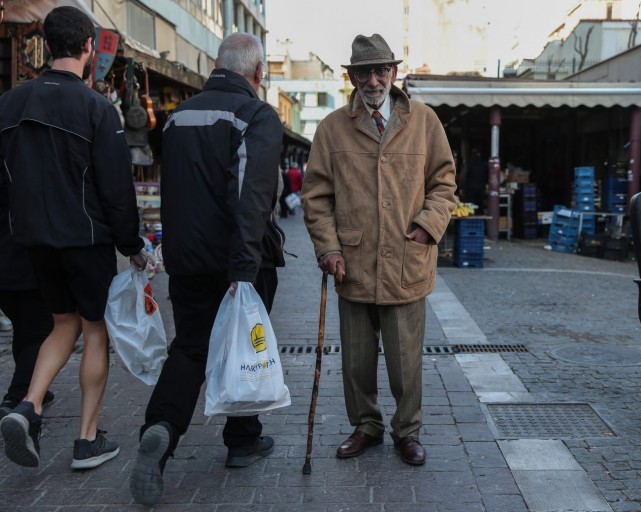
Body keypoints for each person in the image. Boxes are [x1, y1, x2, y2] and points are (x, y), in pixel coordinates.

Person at [129, 32, 283, 506]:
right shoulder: (256, 115)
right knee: (245, 344)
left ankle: (161, 427)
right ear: (257, 73)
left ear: (217, 66)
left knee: (191, 347)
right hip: (237, 260)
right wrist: (244, 269)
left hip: (187, 259)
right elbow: (251, 196)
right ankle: (242, 440)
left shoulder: (177, 118)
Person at [0, 6, 146, 470]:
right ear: (88, 46)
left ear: (46, 44)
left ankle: (29, 405)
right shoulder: (96, 108)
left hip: (32, 239)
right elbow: (117, 189)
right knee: (94, 329)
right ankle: (87, 440)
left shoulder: (9, 103)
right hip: (86, 239)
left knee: (62, 324)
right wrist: (132, 245)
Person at [301, 33, 456, 466]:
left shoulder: (424, 122)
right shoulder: (332, 128)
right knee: (356, 361)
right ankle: (366, 426)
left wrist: (427, 226)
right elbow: (316, 197)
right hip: (352, 264)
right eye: (364, 72)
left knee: (406, 362)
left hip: (407, 259)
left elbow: (444, 183)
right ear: (352, 77)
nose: (373, 80)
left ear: (394, 72)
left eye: (380, 70)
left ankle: (408, 430)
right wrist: (328, 248)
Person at [0, 184, 55, 420]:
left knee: (24, 329)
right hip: (27, 260)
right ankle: (18, 397)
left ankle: (36, 387)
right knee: (38, 333)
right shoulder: (21, 167)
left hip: (8, 264)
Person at [464, 148, 488, 214]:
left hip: (470, 188)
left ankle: (472, 217)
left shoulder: (469, 163)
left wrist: (462, 187)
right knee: (480, 206)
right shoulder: (483, 163)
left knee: (471, 206)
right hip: (481, 188)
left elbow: (464, 176)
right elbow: (486, 175)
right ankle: (480, 217)